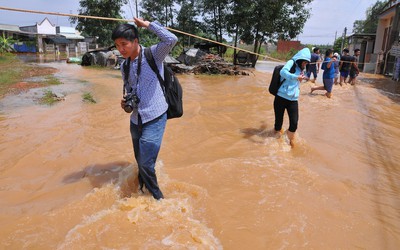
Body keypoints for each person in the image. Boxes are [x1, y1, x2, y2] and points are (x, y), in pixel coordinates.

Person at [111, 18, 178, 200]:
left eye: (124, 44)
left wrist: (148, 24)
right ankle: (141, 191)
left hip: (155, 117)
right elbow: (131, 89)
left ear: (135, 41)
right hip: (135, 120)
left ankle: (159, 199)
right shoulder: (124, 65)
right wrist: (125, 102)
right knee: (141, 163)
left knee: (147, 164)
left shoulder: (153, 55)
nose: (121, 49)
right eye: (117, 45)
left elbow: (171, 40)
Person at [274, 48, 311, 147]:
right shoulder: (291, 62)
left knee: (294, 124)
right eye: (304, 62)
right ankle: (277, 143)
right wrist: (296, 77)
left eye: (306, 63)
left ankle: (286, 139)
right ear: (300, 60)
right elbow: (283, 72)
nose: (305, 64)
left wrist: (302, 78)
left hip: (293, 100)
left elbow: (297, 82)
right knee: (278, 124)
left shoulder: (301, 69)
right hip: (281, 97)